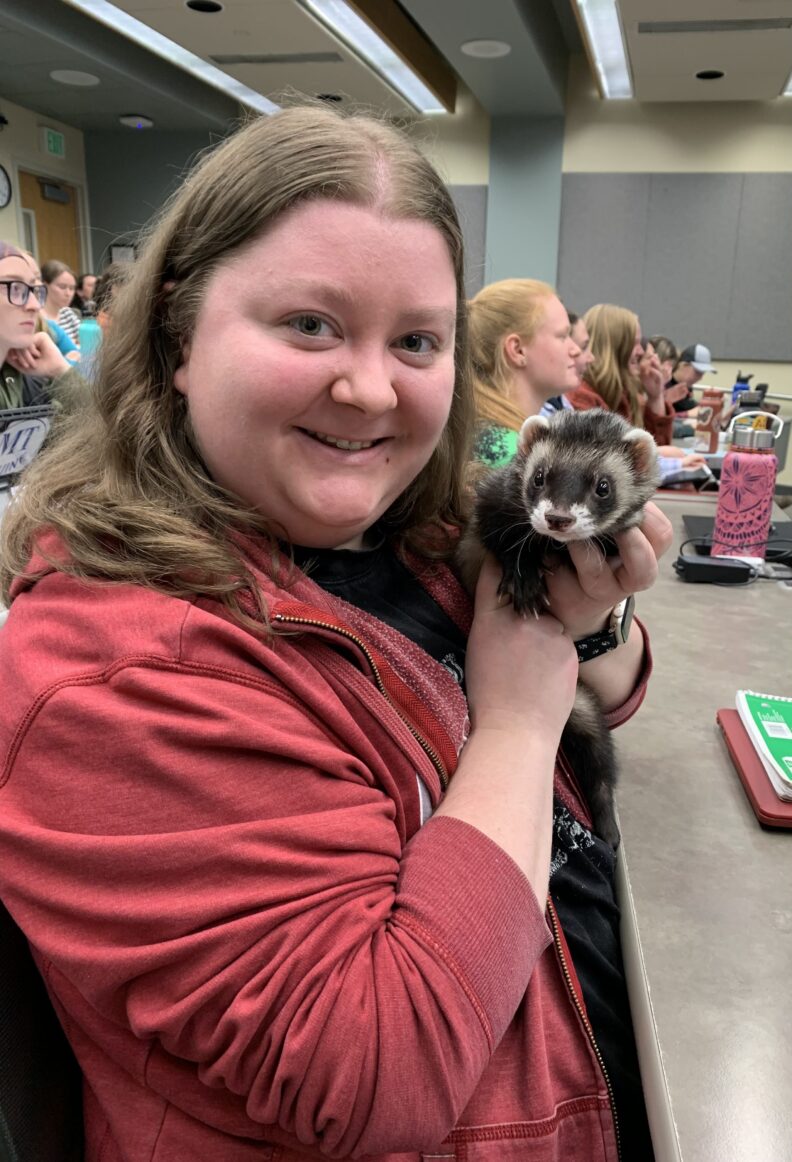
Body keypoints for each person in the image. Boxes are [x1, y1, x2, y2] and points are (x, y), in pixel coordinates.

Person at [0, 107, 672, 1162]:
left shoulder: (409, 534)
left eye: (416, 341)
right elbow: (383, 1071)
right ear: (178, 340)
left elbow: (611, 691)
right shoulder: (114, 675)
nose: (368, 388)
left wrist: (588, 625)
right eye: (310, 324)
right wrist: (519, 718)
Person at [468, 278, 581, 466]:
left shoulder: (489, 432)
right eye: (562, 336)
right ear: (518, 350)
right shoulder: (509, 455)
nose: (575, 349)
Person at [566, 303, 675, 444]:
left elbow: (655, 446)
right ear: (616, 346)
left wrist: (655, 397)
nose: (641, 351)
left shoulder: (624, 395)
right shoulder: (582, 398)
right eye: (635, 343)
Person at [0, 242, 71, 408]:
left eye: (33, 290)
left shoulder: (21, 371)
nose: (35, 305)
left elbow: (98, 419)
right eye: (15, 288)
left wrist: (61, 371)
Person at [666, 343, 716, 415]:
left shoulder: (687, 386)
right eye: (697, 372)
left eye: (703, 373)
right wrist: (688, 414)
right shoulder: (663, 384)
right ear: (684, 365)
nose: (700, 378)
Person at [40, 258, 81, 345]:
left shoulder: (68, 313)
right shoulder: (37, 316)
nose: (68, 293)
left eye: (72, 288)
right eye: (62, 287)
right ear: (45, 286)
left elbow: (86, 341)